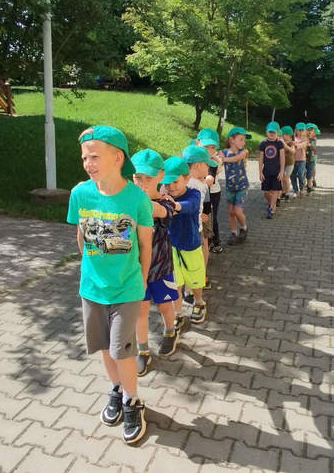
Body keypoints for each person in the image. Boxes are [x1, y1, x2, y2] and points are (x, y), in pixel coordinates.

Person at [66, 125, 152, 444]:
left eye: (94, 156)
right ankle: (116, 389)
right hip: (92, 290)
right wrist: (93, 271)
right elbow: (81, 238)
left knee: (121, 350)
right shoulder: (80, 194)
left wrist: (141, 281)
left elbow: (145, 244)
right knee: (104, 347)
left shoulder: (137, 199)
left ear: (118, 158)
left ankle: (132, 400)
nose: (88, 163)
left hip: (126, 289)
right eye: (84, 158)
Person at [130, 149, 179, 377]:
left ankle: (170, 331)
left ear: (160, 175)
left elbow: (159, 211)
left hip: (161, 268)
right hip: (136, 271)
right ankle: (143, 350)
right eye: (137, 178)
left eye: (148, 178)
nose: (142, 183)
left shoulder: (166, 202)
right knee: (140, 310)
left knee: (164, 306)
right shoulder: (128, 200)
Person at [162, 156, 208, 328]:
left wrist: (174, 206)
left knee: (195, 280)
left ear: (186, 178)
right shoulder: (164, 196)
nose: (171, 187)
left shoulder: (194, 193)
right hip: (171, 246)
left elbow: (190, 205)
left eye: (175, 182)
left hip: (191, 245)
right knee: (175, 283)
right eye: (167, 183)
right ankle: (177, 313)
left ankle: (199, 302)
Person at [182, 144, 217, 292]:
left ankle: (189, 288)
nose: (208, 168)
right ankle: (189, 290)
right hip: (192, 228)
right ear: (197, 165)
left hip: (192, 226)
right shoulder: (196, 185)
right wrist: (197, 215)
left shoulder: (187, 181)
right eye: (206, 165)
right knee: (192, 260)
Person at [221, 126, 251, 245]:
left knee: (238, 211)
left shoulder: (244, 152)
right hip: (230, 188)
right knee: (231, 212)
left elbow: (236, 158)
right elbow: (214, 156)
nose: (244, 142)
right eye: (241, 139)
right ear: (232, 140)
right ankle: (233, 233)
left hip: (242, 187)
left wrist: (223, 160)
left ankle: (244, 228)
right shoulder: (223, 152)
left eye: (244, 140)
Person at [196, 128, 224, 254]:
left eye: (212, 147)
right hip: (199, 193)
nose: (209, 150)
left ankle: (215, 241)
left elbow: (211, 178)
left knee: (211, 218)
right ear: (198, 143)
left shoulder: (215, 160)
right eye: (206, 147)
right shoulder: (194, 158)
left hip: (213, 193)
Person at [258, 121, 285, 219]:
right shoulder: (263, 143)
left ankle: (271, 209)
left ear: (278, 133)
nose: (272, 134)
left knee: (275, 191)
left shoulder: (279, 143)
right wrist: (260, 172)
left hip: (276, 172)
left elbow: (282, 158)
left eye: (274, 132)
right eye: (270, 132)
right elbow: (261, 159)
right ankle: (271, 204)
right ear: (266, 132)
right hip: (266, 172)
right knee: (266, 192)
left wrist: (281, 171)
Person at [291, 122, 308, 197]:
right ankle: (295, 190)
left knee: (301, 174)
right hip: (292, 160)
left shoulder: (305, 139)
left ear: (305, 131)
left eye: (302, 130)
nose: (300, 132)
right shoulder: (293, 138)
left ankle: (302, 188)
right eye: (299, 130)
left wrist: (294, 144)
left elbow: (301, 145)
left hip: (301, 160)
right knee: (292, 175)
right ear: (296, 130)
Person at [280, 126, 295, 201]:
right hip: (282, 163)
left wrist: (285, 145)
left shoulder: (291, 143)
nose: (283, 136)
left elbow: (293, 151)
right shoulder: (280, 142)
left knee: (286, 178)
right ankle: (283, 192)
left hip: (289, 163)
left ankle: (287, 194)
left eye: (284, 134)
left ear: (289, 135)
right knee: (282, 178)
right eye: (282, 134)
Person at [306, 123, 320, 190]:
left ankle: (313, 179)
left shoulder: (314, 139)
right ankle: (308, 181)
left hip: (312, 156)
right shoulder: (304, 138)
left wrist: (309, 144)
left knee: (313, 168)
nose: (309, 132)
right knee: (307, 169)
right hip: (305, 156)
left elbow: (313, 147)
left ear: (314, 133)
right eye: (308, 130)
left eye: (311, 130)